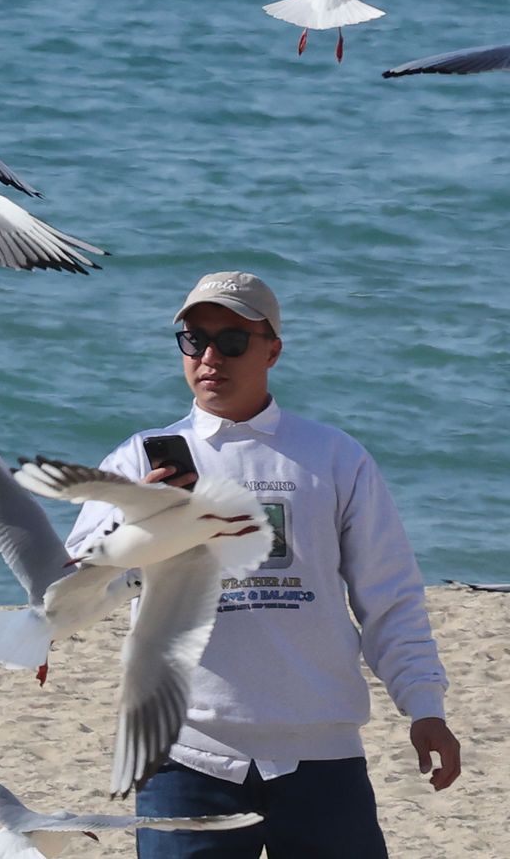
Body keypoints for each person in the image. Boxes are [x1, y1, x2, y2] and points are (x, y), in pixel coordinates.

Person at [66, 271, 461, 858]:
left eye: (232, 341)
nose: (208, 358)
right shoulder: (138, 458)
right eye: (194, 340)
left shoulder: (334, 455)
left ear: (273, 349)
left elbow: (390, 596)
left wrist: (424, 704)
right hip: (185, 755)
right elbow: (77, 591)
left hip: (322, 752)